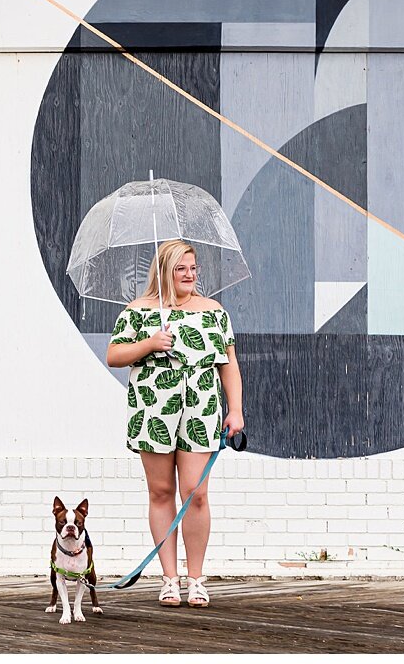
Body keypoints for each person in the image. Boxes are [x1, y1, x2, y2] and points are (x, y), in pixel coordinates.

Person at [107, 239, 244, 609]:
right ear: (164, 270)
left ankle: (196, 579)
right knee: (161, 492)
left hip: (201, 405)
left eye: (193, 268)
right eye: (180, 268)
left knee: (196, 493)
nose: (189, 274)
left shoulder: (213, 311)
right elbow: (115, 355)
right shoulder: (138, 312)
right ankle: (169, 579)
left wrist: (236, 410)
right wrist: (150, 343)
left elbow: (228, 364)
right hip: (153, 408)